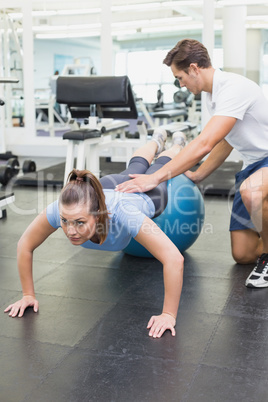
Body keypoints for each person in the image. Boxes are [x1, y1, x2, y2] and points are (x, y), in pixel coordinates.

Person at [4, 129, 187, 338]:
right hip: (107, 185)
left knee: (158, 168)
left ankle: (178, 144)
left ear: (99, 216)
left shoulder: (124, 214)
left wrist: (168, 314)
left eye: (80, 223)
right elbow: (25, 244)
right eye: (65, 222)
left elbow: (174, 259)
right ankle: (156, 140)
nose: (70, 231)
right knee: (135, 167)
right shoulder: (62, 209)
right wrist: (28, 294)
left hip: (147, 196)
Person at [116, 38, 268, 289]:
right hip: (253, 163)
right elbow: (226, 141)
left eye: (180, 77)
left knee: (251, 190)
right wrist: (198, 175)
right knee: (242, 255)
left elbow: (205, 143)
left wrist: (155, 177)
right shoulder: (212, 96)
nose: (180, 84)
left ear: (194, 68)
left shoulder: (234, 88)